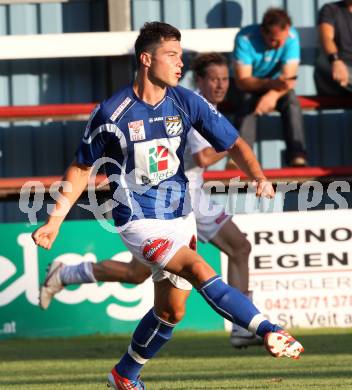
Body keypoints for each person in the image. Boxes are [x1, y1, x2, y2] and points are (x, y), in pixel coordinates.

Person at [32, 22, 304, 390]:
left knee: (170, 311)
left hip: (181, 216)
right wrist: (54, 221)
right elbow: (81, 168)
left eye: (181, 55)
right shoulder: (112, 112)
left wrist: (257, 175)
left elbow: (233, 143)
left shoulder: (185, 100)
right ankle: (266, 328)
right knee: (196, 266)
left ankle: (124, 375)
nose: (180, 63)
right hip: (138, 220)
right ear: (146, 59)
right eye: (172, 55)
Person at [39, 52, 261, 349]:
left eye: (225, 79)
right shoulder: (187, 104)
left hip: (185, 197)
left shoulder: (200, 105)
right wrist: (234, 138)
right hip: (177, 199)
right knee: (239, 247)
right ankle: (244, 327)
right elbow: (203, 156)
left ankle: (67, 273)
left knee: (136, 273)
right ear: (200, 80)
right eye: (214, 79)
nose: (221, 85)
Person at [232, 7, 307, 167]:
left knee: (292, 101)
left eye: (282, 39)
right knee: (246, 100)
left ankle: (297, 154)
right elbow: (242, 81)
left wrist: (271, 95)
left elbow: (290, 79)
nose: (279, 44)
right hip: (250, 86)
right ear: (262, 32)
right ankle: (241, 157)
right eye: (273, 39)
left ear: (287, 30)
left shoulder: (291, 36)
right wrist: (269, 84)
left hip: (277, 87)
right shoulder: (245, 38)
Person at [314, 0, 352, 165]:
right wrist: (336, 60)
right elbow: (326, 38)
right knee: (324, 63)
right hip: (334, 78)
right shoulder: (330, 10)